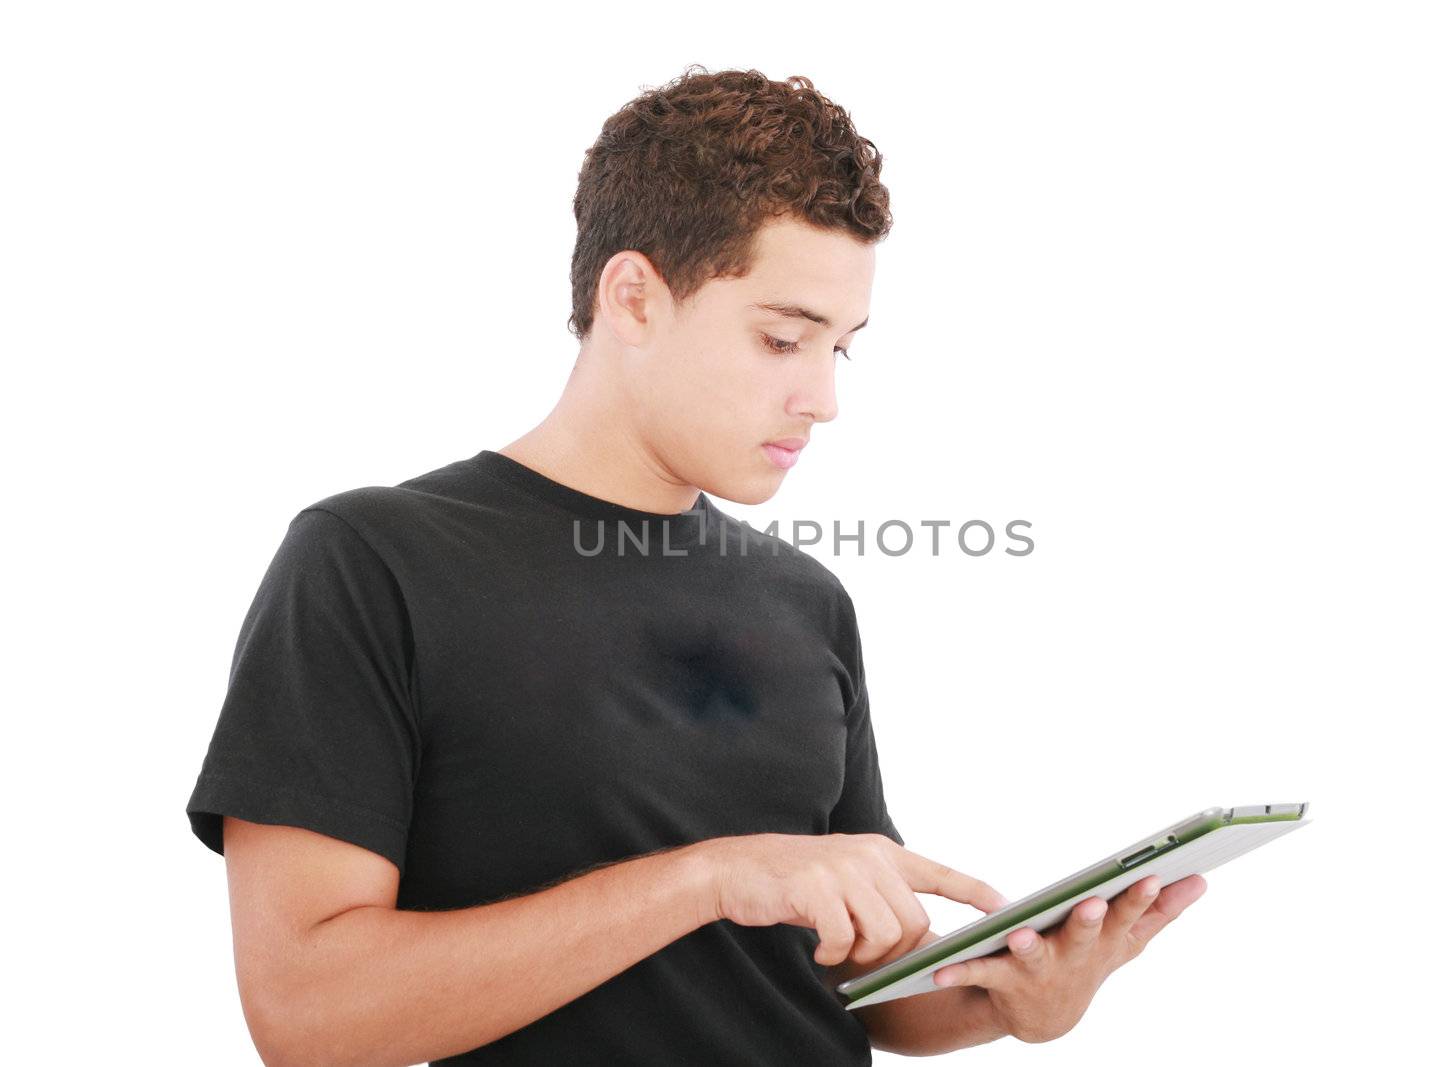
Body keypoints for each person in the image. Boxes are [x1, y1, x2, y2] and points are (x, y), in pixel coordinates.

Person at [185, 65, 1206, 1065]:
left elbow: (865, 989)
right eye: (780, 339)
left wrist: (1018, 996)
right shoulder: (375, 562)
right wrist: (708, 878)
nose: (822, 397)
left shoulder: (806, 599)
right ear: (633, 296)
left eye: (839, 348)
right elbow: (307, 1015)